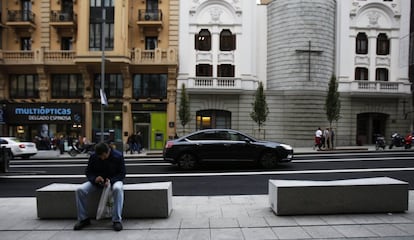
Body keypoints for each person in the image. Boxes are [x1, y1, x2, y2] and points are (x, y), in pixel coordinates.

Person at [74, 142, 126, 231]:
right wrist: (95, 178)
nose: (101, 158)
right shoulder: (94, 156)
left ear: (108, 151)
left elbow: (122, 173)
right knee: (80, 190)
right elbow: (88, 172)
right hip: (97, 182)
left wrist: (111, 181)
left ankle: (117, 220)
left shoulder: (118, 156)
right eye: (99, 157)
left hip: (114, 181)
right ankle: (83, 219)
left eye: (103, 156)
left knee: (118, 189)